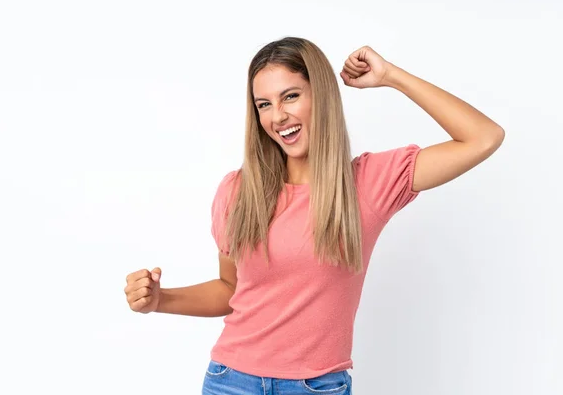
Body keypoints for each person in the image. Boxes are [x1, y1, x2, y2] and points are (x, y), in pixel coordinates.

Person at [124, 36, 504, 394]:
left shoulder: (369, 184)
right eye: (264, 104)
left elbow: (483, 136)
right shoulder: (238, 191)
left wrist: (391, 76)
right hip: (230, 380)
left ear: (320, 95)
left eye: (290, 96)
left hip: (317, 386)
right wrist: (161, 300)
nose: (278, 116)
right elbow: (230, 290)